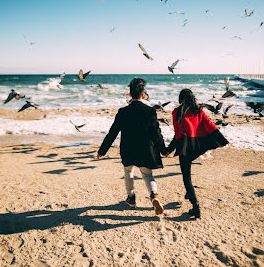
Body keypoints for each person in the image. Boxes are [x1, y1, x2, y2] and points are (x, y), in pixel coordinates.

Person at [97, 78, 167, 215]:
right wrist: (163, 150)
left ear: (129, 94)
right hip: (146, 150)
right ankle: (154, 196)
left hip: (128, 150)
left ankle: (131, 199)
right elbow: (156, 134)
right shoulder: (150, 111)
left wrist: (102, 151)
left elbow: (112, 133)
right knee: (147, 175)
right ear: (143, 94)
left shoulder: (123, 112)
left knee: (128, 173)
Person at [165, 89, 229, 218]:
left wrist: (168, 150)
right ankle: (189, 193)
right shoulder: (198, 110)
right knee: (188, 171)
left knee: (186, 177)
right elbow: (210, 125)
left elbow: (178, 134)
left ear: (180, 99)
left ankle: (196, 206)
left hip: (186, 148)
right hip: (198, 146)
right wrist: (223, 141)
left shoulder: (177, 112)